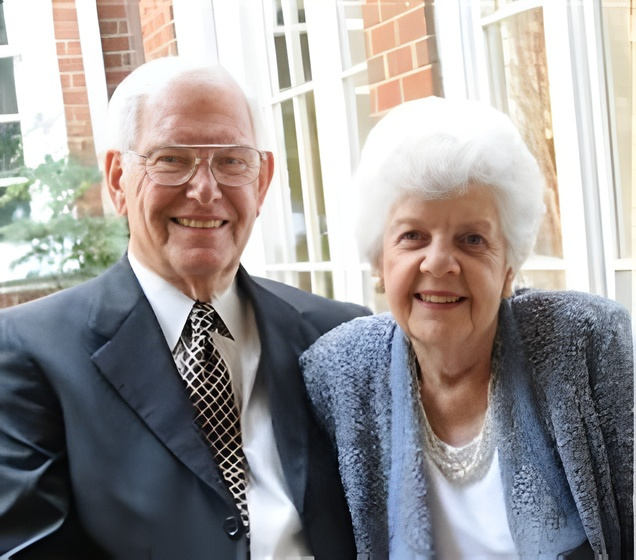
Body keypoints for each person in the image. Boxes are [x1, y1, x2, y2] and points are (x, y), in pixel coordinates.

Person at [0, 56, 370, 560]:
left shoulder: (340, 337)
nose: (205, 190)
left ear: (261, 182)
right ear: (118, 180)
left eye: (231, 161)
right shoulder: (31, 354)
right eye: (172, 159)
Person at [300, 97, 633, 559]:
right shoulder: (339, 376)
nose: (439, 263)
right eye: (412, 236)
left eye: (472, 239)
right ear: (379, 262)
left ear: (509, 269)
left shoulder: (584, 344)